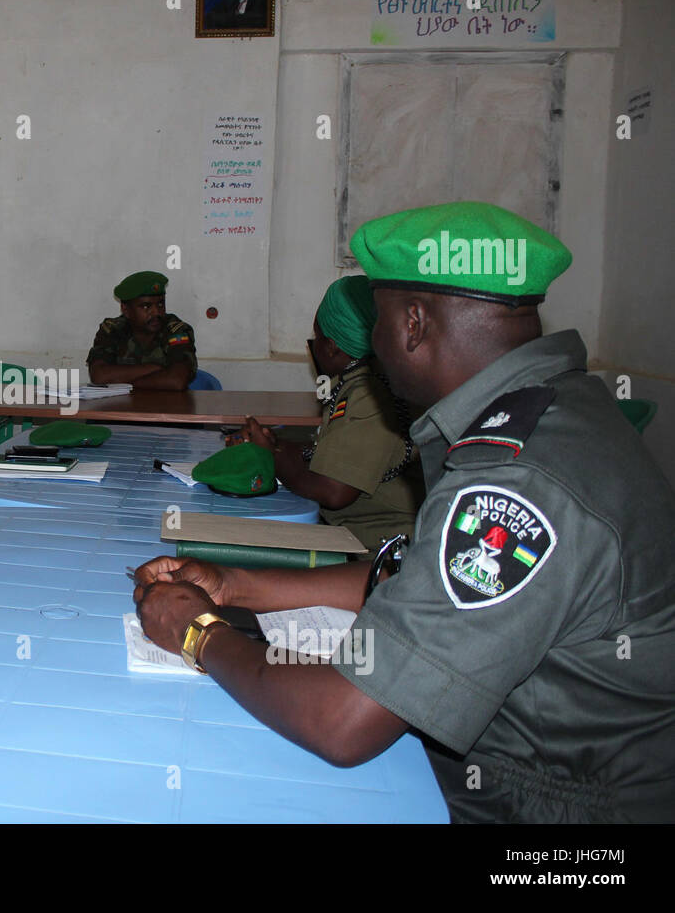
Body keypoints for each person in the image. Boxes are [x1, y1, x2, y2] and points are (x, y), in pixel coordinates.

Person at [134, 201, 675, 822]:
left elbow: (343, 723)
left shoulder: (516, 482)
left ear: (413, 324)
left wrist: (199, 634)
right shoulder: (553, 411)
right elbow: (420, 580)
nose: (375, 346)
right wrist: (237, 584)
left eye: (379, 320)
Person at [237, 275, 423, 550]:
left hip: (378, 550)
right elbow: (335, 451)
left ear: (331, 346)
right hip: (362, 536)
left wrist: (268, 456)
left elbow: (333, 490)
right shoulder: (376, 377)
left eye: (318, 336)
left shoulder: (368, 393)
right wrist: (276, 446)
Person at [87, 271, 197, 391]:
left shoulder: (176, 330)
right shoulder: (112, 330)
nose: (156, 312)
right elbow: (99, 376)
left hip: (168, 406)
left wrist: (126, 384)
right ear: (126, 310)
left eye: (160, 304)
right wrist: (156, 368)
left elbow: (176, 380)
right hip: (122, 407)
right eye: (146, 306)